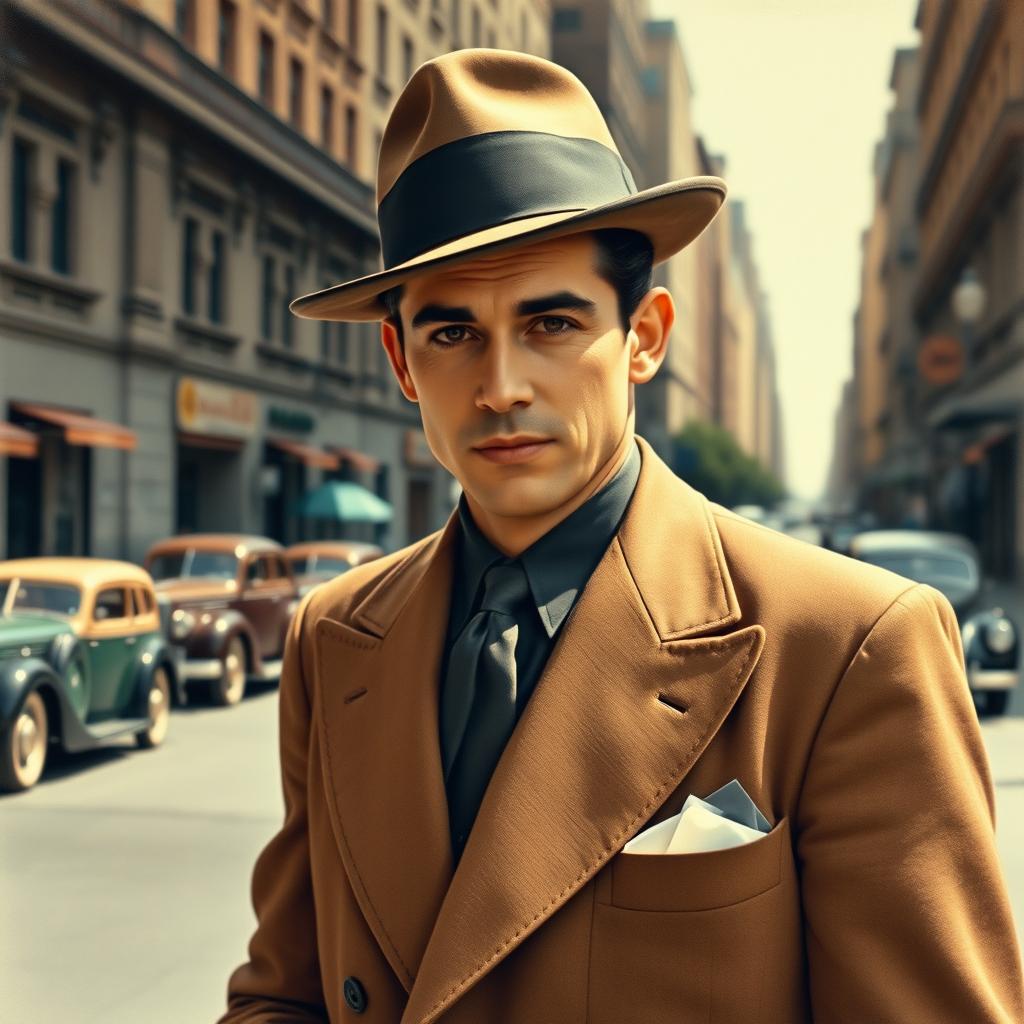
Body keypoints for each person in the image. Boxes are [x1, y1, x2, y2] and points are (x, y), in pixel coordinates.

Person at [217, 48, 1023, 1023]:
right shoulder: (330, 635)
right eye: (450, 331)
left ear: (643, 335)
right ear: (398, 358)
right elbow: (284, 992)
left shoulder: (848, 646)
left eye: (551, 323)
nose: (501, 384)